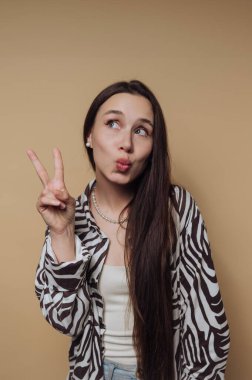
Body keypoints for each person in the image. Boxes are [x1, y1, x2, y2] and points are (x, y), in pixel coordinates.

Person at [27, 80, 230, 380]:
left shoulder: (176, 209)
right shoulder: (71, 214)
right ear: (89, 136)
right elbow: (66, 320)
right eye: (112, 124)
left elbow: (209, 329)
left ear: (152, 147)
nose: (126, 144)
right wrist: (61, 233)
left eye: (141, 130)